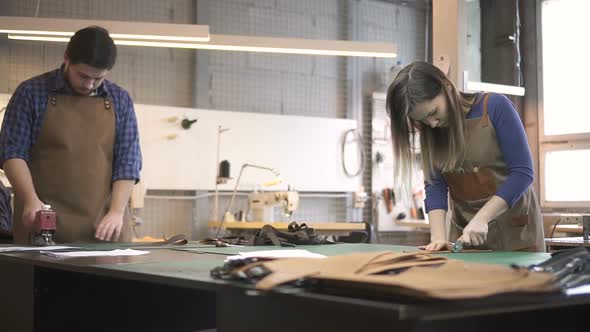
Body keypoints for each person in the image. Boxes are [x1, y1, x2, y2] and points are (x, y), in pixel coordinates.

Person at [0, 26, 142, 244]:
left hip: (105, 226)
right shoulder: (31, 93)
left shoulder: (120, 100)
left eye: (98, 79)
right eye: (83, 75)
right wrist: (29, 199)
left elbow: (128, 162)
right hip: (41, 223)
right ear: (66, 58)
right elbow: (12, 153)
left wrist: (116, 211)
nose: (89, 84)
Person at [386, 61, 544, 252]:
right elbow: (435, 185)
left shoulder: (495, 107)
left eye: (434, 113)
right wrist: (438, 238)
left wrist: (482, 218)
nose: (432, 124)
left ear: (446, 87)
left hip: (517, 234)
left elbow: (522, 174)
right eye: (423, 120)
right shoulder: (430, 131)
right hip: (465, 239)